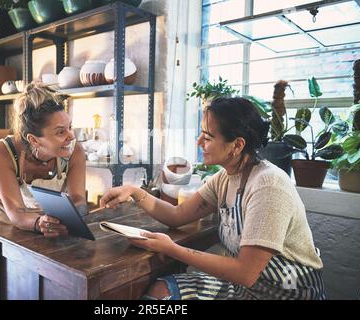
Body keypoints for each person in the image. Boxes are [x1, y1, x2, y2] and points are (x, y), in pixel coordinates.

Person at [100, 97, 326, 300]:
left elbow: (246, 273)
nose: (199, 142)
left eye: (207, 137)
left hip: (284, 294)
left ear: (237, 145)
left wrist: (171, 249)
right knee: (161, 292)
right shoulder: (224, 178)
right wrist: (133, 192)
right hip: (244, 289)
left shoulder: (268, 185)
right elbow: (177, 215)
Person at [0, 82, 86, 299]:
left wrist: (71, 216)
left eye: (70, 127)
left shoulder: (74, 151)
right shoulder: (2, 151)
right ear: (34, 139)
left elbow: (78, 198)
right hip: (2, 211)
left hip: (41, 209)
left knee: (38, 276)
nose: (71, 136)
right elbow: (16, 213)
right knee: (3, 276)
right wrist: (39, 223)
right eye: (60, 132)